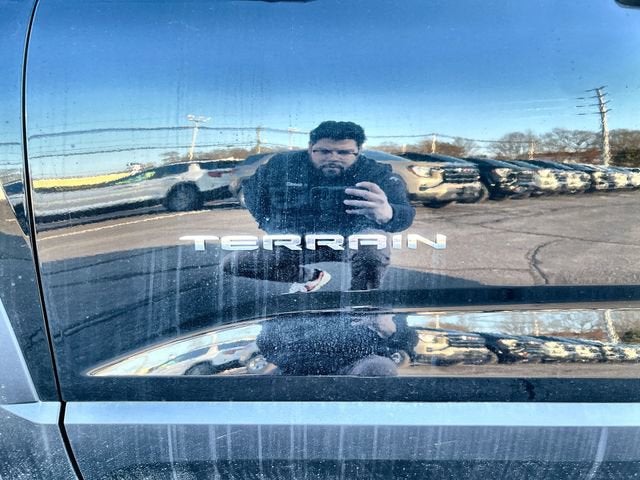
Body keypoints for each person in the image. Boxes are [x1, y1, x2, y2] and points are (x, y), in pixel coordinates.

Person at [223, 120, 415, 292]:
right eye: (324, 151)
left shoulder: (376, 172)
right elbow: (252, 192)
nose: (333, 157)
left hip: (352, 239)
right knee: (234, 263)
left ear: (358, 151)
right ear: (310, 148)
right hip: (299, 240)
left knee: (373, 244)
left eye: (344, 152)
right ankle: (311, 277)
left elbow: (405, 212)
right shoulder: (282, 166)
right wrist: (268, 223)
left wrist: (389, 213)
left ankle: (362, 302)